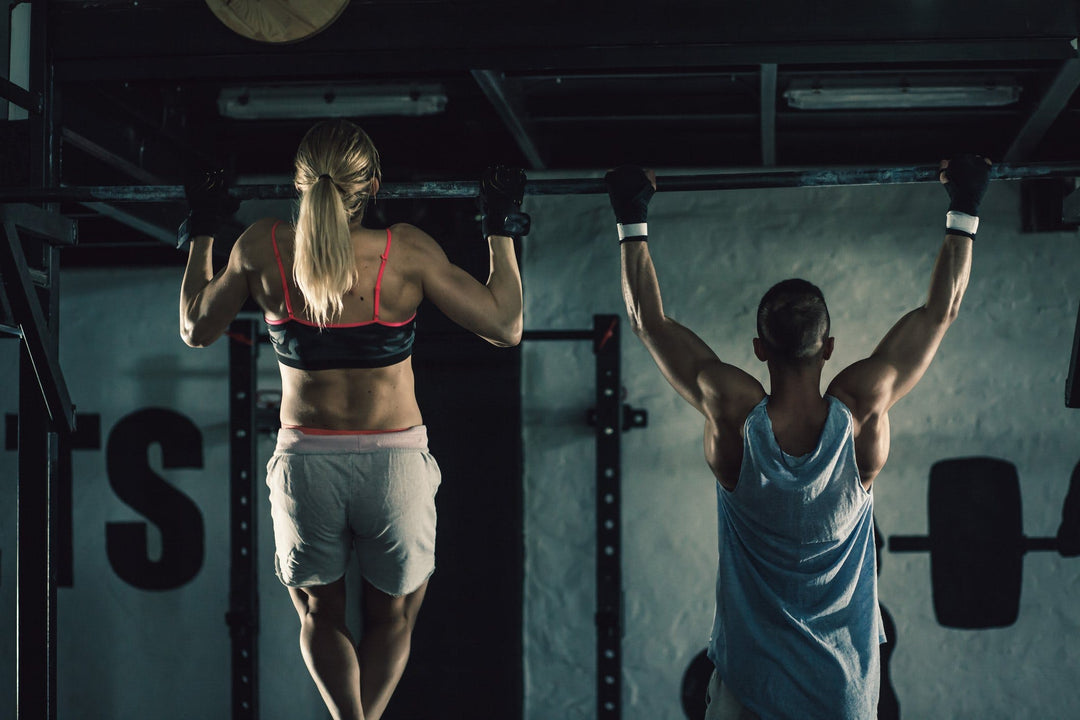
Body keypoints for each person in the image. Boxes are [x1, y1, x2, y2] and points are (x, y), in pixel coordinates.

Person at [606, 155, 990, 719]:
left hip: (747, 688)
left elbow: (648, 322)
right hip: (843, 693)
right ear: (829, 347)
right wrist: (966, 204)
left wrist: (630, 213)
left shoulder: (733, 414)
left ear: (759, 349)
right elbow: (940, 313)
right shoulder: (861, 409)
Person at [179, 119, 526, 720]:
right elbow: (505, 326)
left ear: (298, 182)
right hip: (393, 459)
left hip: (307, 460)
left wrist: (203, 226)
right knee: (395, 613)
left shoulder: (262, 246)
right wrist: (500, 224)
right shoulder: (406, 250)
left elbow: (195, 328)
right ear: (373, 184)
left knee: (319, 614)